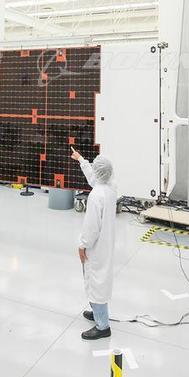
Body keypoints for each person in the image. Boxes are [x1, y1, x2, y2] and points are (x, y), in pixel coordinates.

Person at [71, 146, 116, 341]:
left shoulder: (96, 195)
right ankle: (97, 312)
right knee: (99, 280)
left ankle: (102, 326)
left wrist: (82, 245)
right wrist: (81, 160)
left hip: (95, 246)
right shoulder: (110, 188)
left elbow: (91, 227)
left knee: (96, 281)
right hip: (106, 244)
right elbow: (94, 179)